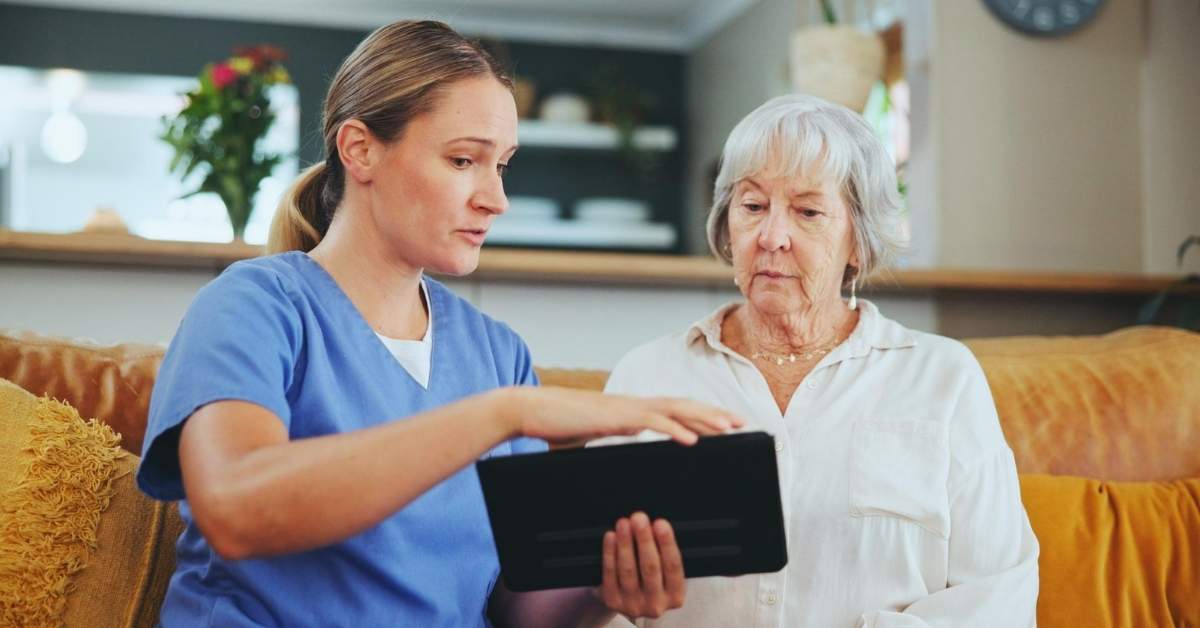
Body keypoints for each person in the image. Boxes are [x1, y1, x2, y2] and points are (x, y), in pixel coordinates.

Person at [136, 20, 742, 627]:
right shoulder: (253, 306)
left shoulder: (498, 353)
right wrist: (502, 415)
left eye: (502, 166)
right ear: (359, 149)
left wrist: (605, 588)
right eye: (463, 160)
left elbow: (518, 607)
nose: (495, 199)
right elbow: (237, 508)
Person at [596, 94, 1039, 627]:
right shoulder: (648, 375)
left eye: (808, 212)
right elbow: (587, 594)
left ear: (860, 240)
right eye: (753, 206)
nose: (771, 237)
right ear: (726, 222)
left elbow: (999, 599)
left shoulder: (942, 378)